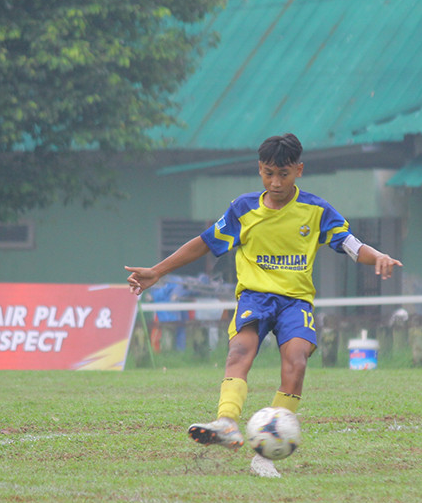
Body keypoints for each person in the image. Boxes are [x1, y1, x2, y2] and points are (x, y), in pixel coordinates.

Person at [125, 133, 402, 454]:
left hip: (294, 302)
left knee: (296, 362)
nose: (275, 182)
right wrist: (158, 271)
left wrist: (378, 255)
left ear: (299, 170)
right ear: (260, 170)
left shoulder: (316, 210)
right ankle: (227, 424)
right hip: (254, 297)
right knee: (240, 352)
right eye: (269, 173)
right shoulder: (243, 210)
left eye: (283, 174)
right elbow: (203, 242)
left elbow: (351, 245)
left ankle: (273, 441)